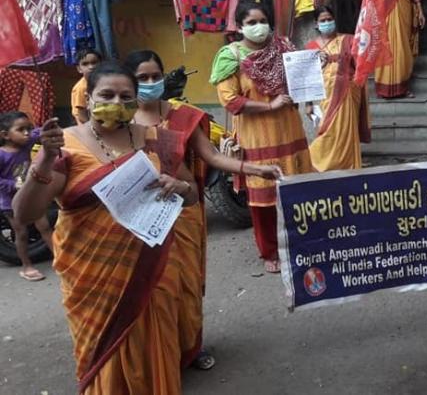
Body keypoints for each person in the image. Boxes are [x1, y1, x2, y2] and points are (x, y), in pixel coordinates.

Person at [13, 63, 199, 394]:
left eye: (126, 96)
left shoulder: (157, 139)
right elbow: (25, 212)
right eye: (107, 95)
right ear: (89, 98)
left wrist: (180, 187)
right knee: (107, 361)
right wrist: (43, 161)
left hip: (153, 270)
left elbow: (192, 194)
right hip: (93, 278)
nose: (117, 101)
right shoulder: (65, 145)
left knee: (157, 353)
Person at [123, 49, 281, 370]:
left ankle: (190, 349)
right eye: (143, 78)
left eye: (156, 76)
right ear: (131, 82)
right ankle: (160, 356)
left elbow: (211, 157)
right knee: (153, 293)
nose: (151, 83)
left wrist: (254, 170)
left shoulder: (182, 116)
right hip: (139, 221)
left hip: (183, 215)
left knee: (186, 287)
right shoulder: (120, 123)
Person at [210, 1, 313, 274]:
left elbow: (301, 81)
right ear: (240, 26)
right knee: (263, 199)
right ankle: (269, 251)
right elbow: (229, 101)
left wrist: (315, 66)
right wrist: (269, 105)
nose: (259, 26)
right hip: (257, 138)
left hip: (290, 132)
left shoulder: (284, 48)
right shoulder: (230, 56)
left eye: (263, 20)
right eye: (252, 22)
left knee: (295, 192)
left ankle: (299, 245)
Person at [305, 6, 371, 171]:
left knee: (346, 131)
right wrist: (308, 103)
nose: (327, 23)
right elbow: (308, 77)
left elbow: (360, 65)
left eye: (329, 19)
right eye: (323, 20)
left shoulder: (349, 40)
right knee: (329, 131)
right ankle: (315, 160)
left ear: (334, 20)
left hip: (348, 91)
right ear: (316, 24)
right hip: (325, 95)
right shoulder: (311, 46)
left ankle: (347, 164)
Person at [0, 111, 53, 281]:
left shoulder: (27, 143)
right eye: (20, 129)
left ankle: (60, 259)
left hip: (30, 194)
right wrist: (12, 185)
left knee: (45, 227)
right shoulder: (1, 154)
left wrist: (46, 128)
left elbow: (37, 133)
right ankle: (26, 266)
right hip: (10, 201)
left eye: (28, 129)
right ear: (5, 135)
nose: (26, 133)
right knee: (21, 233)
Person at [70, 48, 101, 125]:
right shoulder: (81, 88)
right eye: (85, 64)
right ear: (79, 69)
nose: (91, 67)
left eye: (94, 63)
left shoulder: (103, 82)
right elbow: (81, 116)